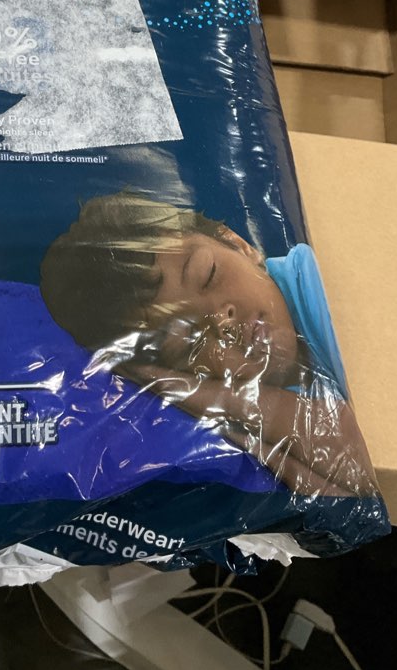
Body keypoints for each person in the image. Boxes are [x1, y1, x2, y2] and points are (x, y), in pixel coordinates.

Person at [40, 191, 378, 498]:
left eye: (208, 274)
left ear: (238, 243)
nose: (221, 322)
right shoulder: (269, 396)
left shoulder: (315, 285)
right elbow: (353, 483)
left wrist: (200, 394)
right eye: (190, 344)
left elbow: (366, 460)